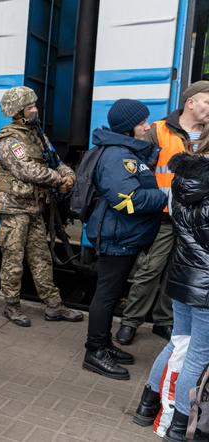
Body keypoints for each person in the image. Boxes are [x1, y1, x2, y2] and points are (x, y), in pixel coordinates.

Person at [116, 81, 209, 346]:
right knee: (150, 270)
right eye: (208, 102)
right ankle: (130, 321)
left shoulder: (208, 135)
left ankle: (163, 321)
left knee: (178, 273)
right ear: (191, 102)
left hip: (195, 221)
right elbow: (135, 167)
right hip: (163, 214)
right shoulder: (158, 130)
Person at [82, 99, 167, 380]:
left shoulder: (125, 152)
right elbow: (126, 200)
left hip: (122, 235)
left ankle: (104, 344)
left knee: (112, 292)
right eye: (142, 122)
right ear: (129, 128)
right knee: (106, 294)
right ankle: (94, 352)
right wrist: (164, 198)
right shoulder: (118, 156)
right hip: (116, 235)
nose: (147, 126)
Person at [0, 86, 83, 327]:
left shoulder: (36, 135)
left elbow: (55, 161)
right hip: (14, 209)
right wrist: (58, 179)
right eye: (30, 106)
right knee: (13, 258)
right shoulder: (9, 140)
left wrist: (68, 174)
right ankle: (11, 306)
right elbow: (28, 170)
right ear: (18, 111)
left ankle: (54, 305)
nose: (35, 109)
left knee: (42, 258)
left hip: (34, 207)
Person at [133, 151, 209, 441]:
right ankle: (178, 425)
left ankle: (146, 406)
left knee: (176, 344)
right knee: (197, 357)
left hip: (181, 279)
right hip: (204, 289)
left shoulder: (178, 191)